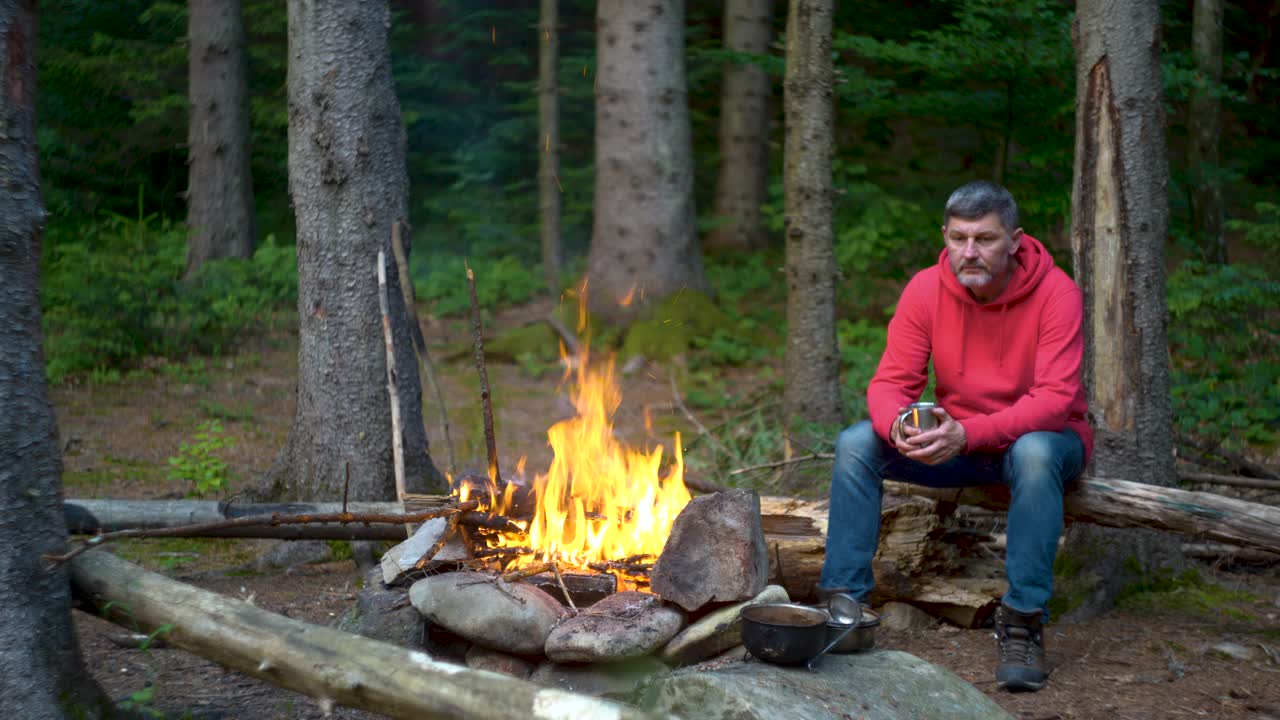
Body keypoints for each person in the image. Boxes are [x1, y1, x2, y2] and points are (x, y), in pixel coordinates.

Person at [818, 180, 1092, 692]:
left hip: (1039, 441)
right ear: (944, 235)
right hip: (956, 440)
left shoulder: (1057, 293)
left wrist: (967, 434)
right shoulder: (926, 288)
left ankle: (1023, 623)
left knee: (1034, 455)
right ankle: (844, 606)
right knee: (857, 442)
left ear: (1014, 240)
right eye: (959, 237)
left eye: (985, 239)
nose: (970, 251)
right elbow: (889, 383)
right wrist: (899, 426)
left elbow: (1054, 402)